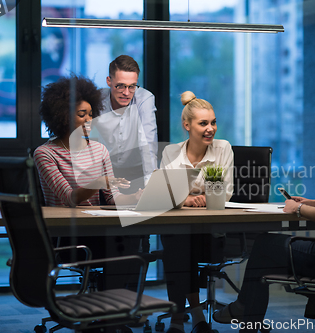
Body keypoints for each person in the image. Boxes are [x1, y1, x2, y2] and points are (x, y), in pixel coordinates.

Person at [212, 97, 315, 332]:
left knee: (263, 245)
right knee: (266, 255)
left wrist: (297, 208)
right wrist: (311, 201)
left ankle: (245, 312)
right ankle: (248, 315)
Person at [33, 74, 142, 290]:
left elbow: (112, 199)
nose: (89, 120)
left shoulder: (99, 149)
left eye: (91, 114)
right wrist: (99, 182)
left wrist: (136, 197)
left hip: (99, 227)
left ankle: (118, 307)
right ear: (62, 115)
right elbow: (69, 198)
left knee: (134, 237)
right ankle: (112, 309)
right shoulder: (45, 153)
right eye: (82, 114)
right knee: (125, 244)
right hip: (68, 235)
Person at [160, 91, 234, 333]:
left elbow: (225, 192)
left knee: (180, 242)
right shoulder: (171, 152)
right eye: (203, 123)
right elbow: (165, 193)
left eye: (213, 122)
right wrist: (188, 199)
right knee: (178, 239)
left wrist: (190, 197)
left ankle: (178, 317)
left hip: (212, 233)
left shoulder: (222, 149)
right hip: (180, 232)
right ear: (187, 125)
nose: (210, 128)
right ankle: (195, 314)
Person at [94, 54, 158, 194]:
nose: (126, 93)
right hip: (104, 172)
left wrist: (151, 184)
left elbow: (148, 142)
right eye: (120, 86)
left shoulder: (144, 99)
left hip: (136, 173)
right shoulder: (97, 99)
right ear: (109, 81)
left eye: (132, 86)